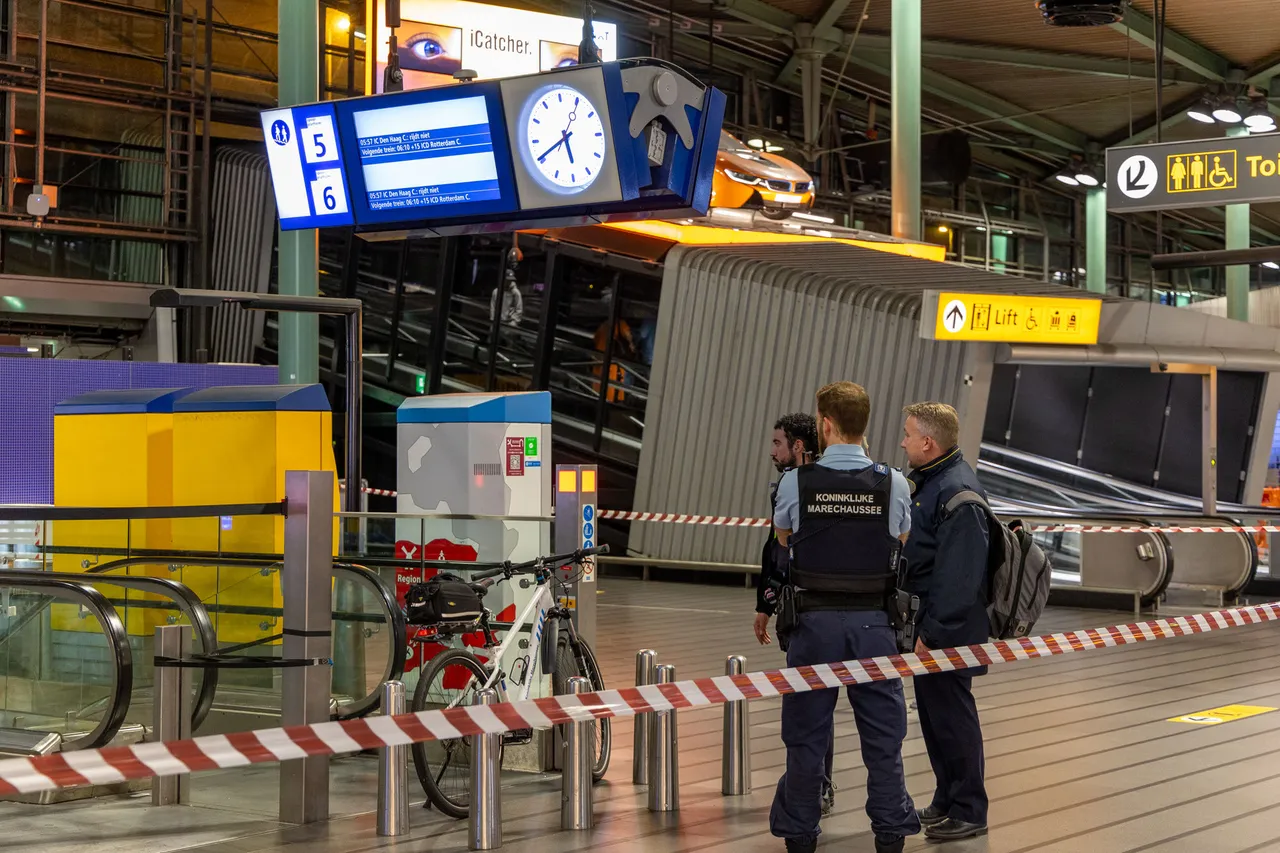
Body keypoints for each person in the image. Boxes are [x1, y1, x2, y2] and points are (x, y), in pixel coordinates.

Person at [770, 382, 919, 853]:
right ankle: (890, 832)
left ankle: (800, 833)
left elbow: (783, 539)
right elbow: (901, 540)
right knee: (883, 734)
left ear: (826, 425)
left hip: (813, 626)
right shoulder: (894, 482)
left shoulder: (796, 482)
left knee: (806, 734)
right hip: (875, 625)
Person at [899, 402, 991, 842]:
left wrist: (932, 634)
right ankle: (946, 798)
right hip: (930, 629)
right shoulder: (933, 482)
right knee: (936, 719)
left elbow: (959, 578)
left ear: (928, 443)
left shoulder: (957, 494)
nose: (903, 441)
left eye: (908, 434)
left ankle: (970, 808)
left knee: (953, 718)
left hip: (947, 633)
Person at [754, 412, 837, 817]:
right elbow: (773, 547)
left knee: (813, 698)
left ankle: (815, 787)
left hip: (812, 607)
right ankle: (817, 785)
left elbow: (781, 548)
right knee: (815, 696)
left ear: (799, 447)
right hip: (804, 604)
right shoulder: (788, 485)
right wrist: (763, 604)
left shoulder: (805, 484)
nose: (772, 451)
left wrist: (771, 602)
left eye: (777, 443)